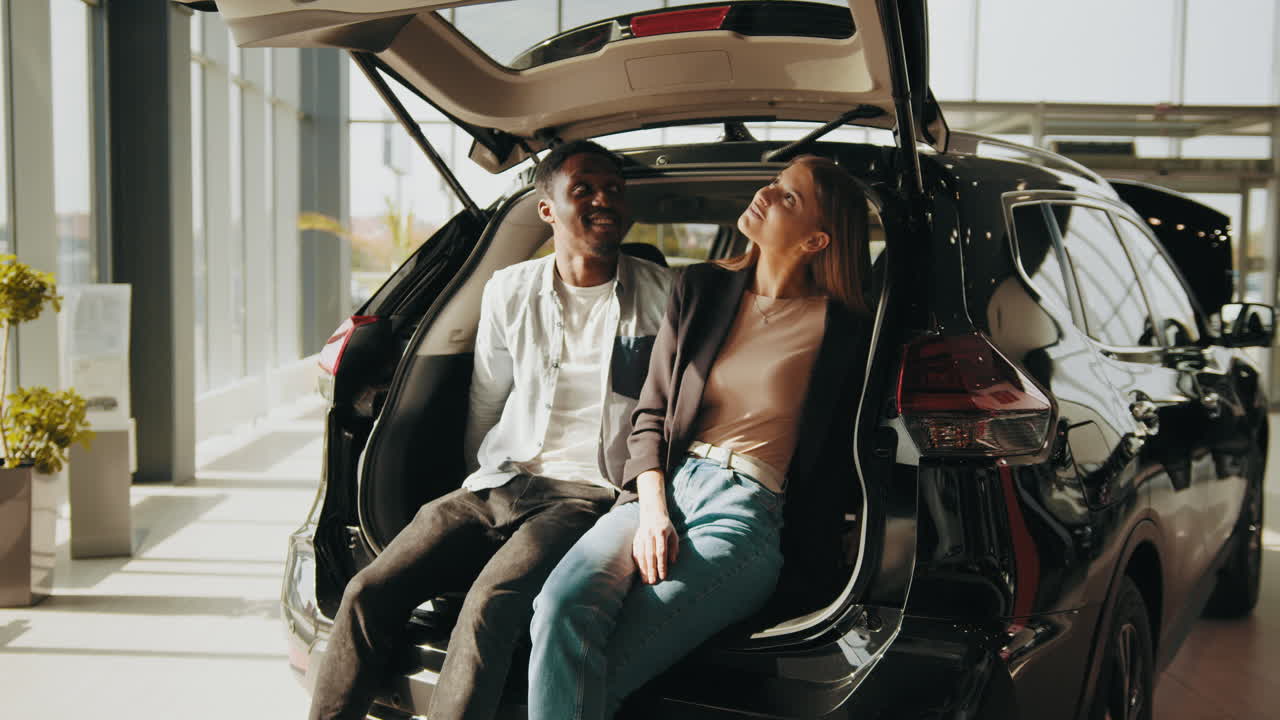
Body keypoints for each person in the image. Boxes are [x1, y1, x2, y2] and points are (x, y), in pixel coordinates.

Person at [308, 140, 672, 720]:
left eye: (614, 189)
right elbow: (487, 397)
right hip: (498, 479)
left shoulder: (665, 295)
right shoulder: (508, 288)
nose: (604, 200)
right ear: (547, 208)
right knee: (367, 591)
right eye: (584, 189)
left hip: (583, 494)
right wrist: (476, 481)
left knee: (488, 607)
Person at [527, 155, 872, 720]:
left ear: (816, 241)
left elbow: (845, 455)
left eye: (788, 196)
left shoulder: (847, 329)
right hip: (662, 489)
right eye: (774, 181)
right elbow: (650, 416)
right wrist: (652, 514)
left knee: (598, 671)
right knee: (559, 608)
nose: (766, 192)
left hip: (744, 512)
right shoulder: (701, 288)